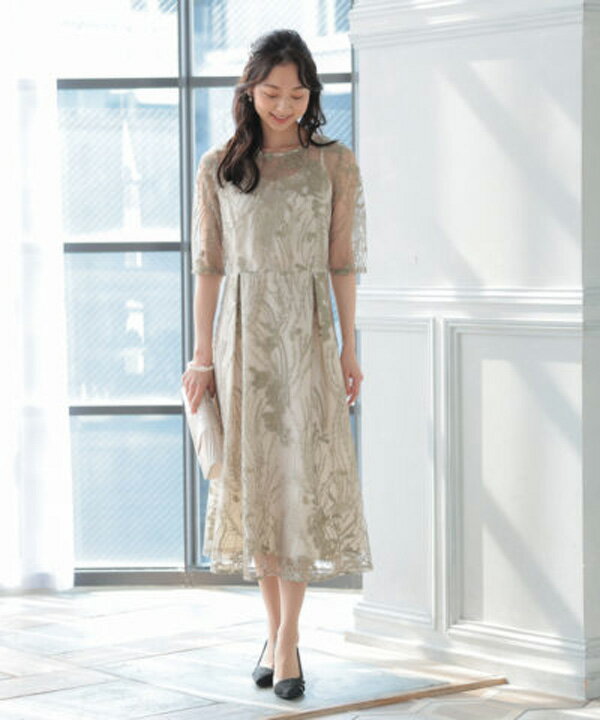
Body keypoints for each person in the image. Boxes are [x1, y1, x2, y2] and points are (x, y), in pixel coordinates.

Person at [181, 28, 374, 700]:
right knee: (261, 491)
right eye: (271, 93)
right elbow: (208, 268)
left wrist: (350, 346)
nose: (285, 105)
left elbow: (343, 263)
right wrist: (202, 357)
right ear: (249, 91)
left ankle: (286, 640)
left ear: (311, 94)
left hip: (310, 338)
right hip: (244, 343)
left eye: (297, 94)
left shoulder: (334, 164)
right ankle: (278, 635)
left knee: (299, 488)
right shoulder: (218, 166)